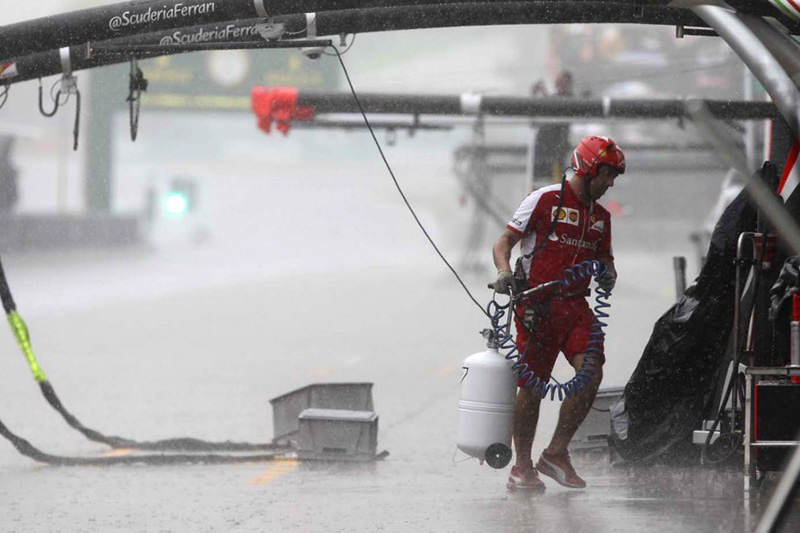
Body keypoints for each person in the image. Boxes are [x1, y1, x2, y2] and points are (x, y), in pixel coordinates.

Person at [491, 136, 625, 491]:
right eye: (608, 175)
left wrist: (609, 275)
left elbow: (606, 260)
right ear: (588, 169)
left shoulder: (601, 217)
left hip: (576, 307)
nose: (611, 184)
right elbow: (503, 242)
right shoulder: (544, 199)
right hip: (537, 306)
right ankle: (521, 467)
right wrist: (504, 273)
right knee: (532, 386)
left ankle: (555, 453)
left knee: (591, 373)